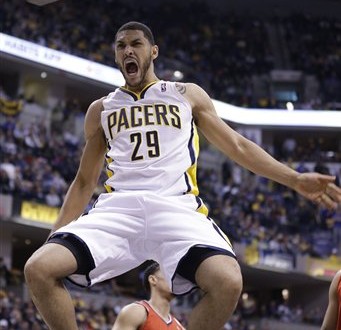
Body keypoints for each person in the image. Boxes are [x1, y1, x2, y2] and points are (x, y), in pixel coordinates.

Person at [24, 21, 341, 330]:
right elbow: (83, 182)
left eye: (136, 43)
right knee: (38, 268)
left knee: (228, 281)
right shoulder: (102, 109)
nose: (128, 50)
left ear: (154, 51)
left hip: (176, 206)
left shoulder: (185, 94)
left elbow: (237, 145)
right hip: (118, 209)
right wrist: (54, 237)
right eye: (121, 46)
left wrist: (294, 179)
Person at [112, 261, 185, 329]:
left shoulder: (179, 326)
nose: (175, 280)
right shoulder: (136, 311)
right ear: (153, 280)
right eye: (169, 274)